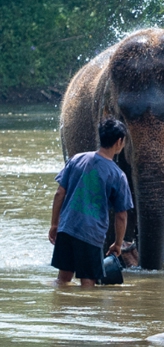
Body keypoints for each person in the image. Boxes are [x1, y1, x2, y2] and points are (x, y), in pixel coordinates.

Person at [49, 117, 134, 288]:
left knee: (63, 278)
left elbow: (59, 194)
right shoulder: (117, 175)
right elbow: (121, 215)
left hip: (66, 228)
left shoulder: (76, 159)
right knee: (88, 282)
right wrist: (118, 244)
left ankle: (59, 311)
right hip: (90, 234)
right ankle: (85, 312)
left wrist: (54, 224)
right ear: (119, 142)